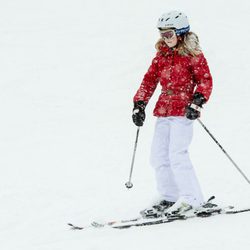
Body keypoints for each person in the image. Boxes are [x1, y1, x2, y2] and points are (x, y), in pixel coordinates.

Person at [132, 11, 213, 218]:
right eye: (162, 35)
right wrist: (139, 103)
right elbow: (149, 81)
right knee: (158, 156)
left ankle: (192, 199)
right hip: (164, 110)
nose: (165, 39)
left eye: (169, 34)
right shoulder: (161, 56)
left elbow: (204, 81)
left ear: (181, 33)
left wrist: (197, 102)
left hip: (183, 112)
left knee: (177, 155)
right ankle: (169, 195)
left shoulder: (192, 55)